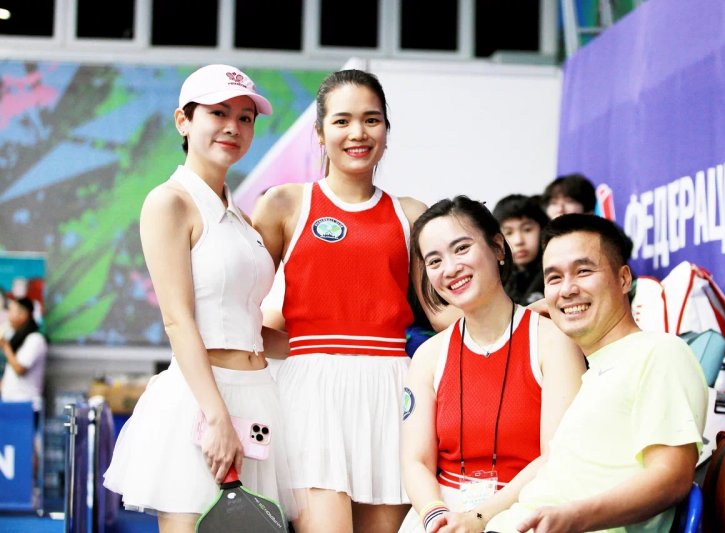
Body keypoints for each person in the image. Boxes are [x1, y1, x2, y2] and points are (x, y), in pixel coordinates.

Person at [252, 68, 458, 533]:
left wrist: (520, 321)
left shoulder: (410, 214)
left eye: (371, 120)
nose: (358, 133)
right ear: (319, 132)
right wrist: (300, 347)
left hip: (391, 391)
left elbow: (440, 312)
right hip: (311, 395)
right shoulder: (285, 204)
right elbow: (241, 302)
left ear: (386, 129)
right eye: (342, 121)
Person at [103, 64, 296, 532]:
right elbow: (178, 320)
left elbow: (248, 326)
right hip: (202, 399)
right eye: (218, 112)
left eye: (246, 117)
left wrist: (326, 345)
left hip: (261, 398)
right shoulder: (169, 202)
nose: (233, 126)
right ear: (183, 121)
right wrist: (216, 417)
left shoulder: (243, 220)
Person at [485, 214, 708, 533]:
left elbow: (672, 478)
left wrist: (574, 518)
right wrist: (475, 518)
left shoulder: (659, 352)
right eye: (554, 278)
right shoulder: (595, 372)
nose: (567, 289)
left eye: (584, 271)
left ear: (624, 279)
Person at [399, 196, 586, 533]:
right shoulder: (429, 356)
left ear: (498, 247)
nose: (450, 269)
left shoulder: (552, 342)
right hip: (443, 514)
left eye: (461, 249)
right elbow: (415, 461)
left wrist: (479, 518)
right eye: (435, 260)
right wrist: (436, 518)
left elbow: (556, 456)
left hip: (526, 509)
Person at [492, 194, 550, 305]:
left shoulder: (555, 270)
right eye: (509, 232)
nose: (519, 241)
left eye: (527, 230)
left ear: (542, 230)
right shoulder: (495, 278)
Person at [0, 296, 47, 412]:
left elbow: (20, 369)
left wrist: (5, 346)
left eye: (11, 311)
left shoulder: (35, 339)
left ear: (24, 315)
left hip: (25, 405)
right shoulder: (17, 339)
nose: (8, 316)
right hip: (9, 403)